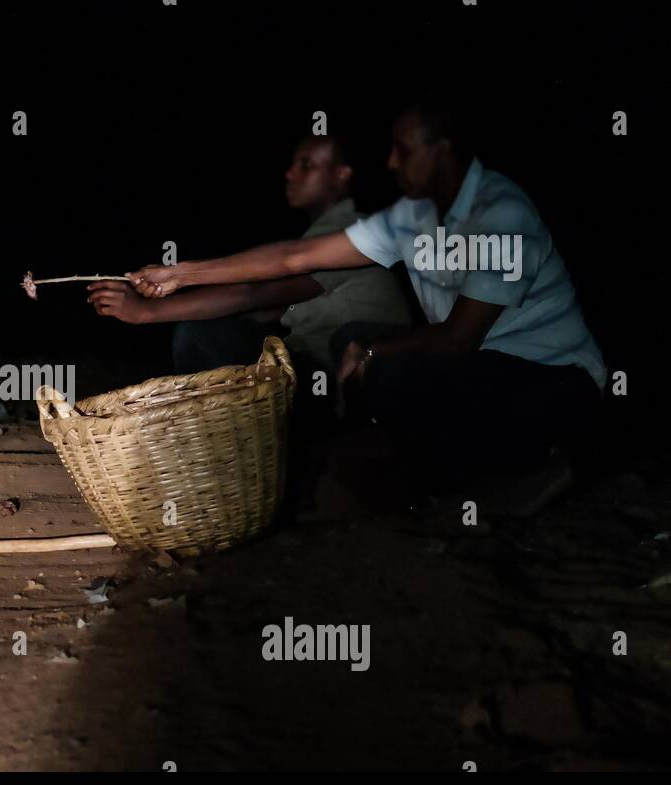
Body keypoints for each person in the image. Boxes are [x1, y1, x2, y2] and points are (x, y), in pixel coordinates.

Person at [121, 96, 605, 509]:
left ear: (443, 150)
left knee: (384, 363)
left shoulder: (502, 214)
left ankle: (525, 466)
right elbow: (294, 256)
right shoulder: (411, 218)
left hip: (555, 381)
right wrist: (179, 274)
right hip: (478, 371)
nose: (391, 162)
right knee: (361, 344)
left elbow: (459, 337)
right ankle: (438, 473)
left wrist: (376, 354)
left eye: (403, 149)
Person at [88, 134, 410, 382]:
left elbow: (256, 291)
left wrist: (147, 311)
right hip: (317, 364)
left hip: (343, 373)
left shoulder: (353, 229)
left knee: (200, 334)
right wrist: (174, 283)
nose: (289, 174)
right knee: (215, 327)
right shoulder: (324, 231)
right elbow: (260, 305)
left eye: (306, 165)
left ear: (342, 174)